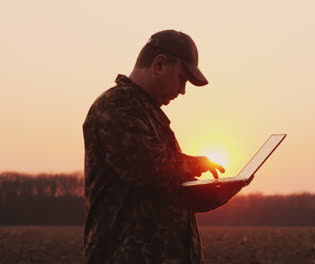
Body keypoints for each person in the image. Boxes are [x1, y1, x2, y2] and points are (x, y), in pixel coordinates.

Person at [82, 29, 247, 264]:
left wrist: (215, 193)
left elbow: (165, 190)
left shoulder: (148, 114)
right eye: (182, 79)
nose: (182, 90)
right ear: (159, 65)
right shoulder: (115, 107)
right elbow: (146, 167)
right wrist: (195, 164)